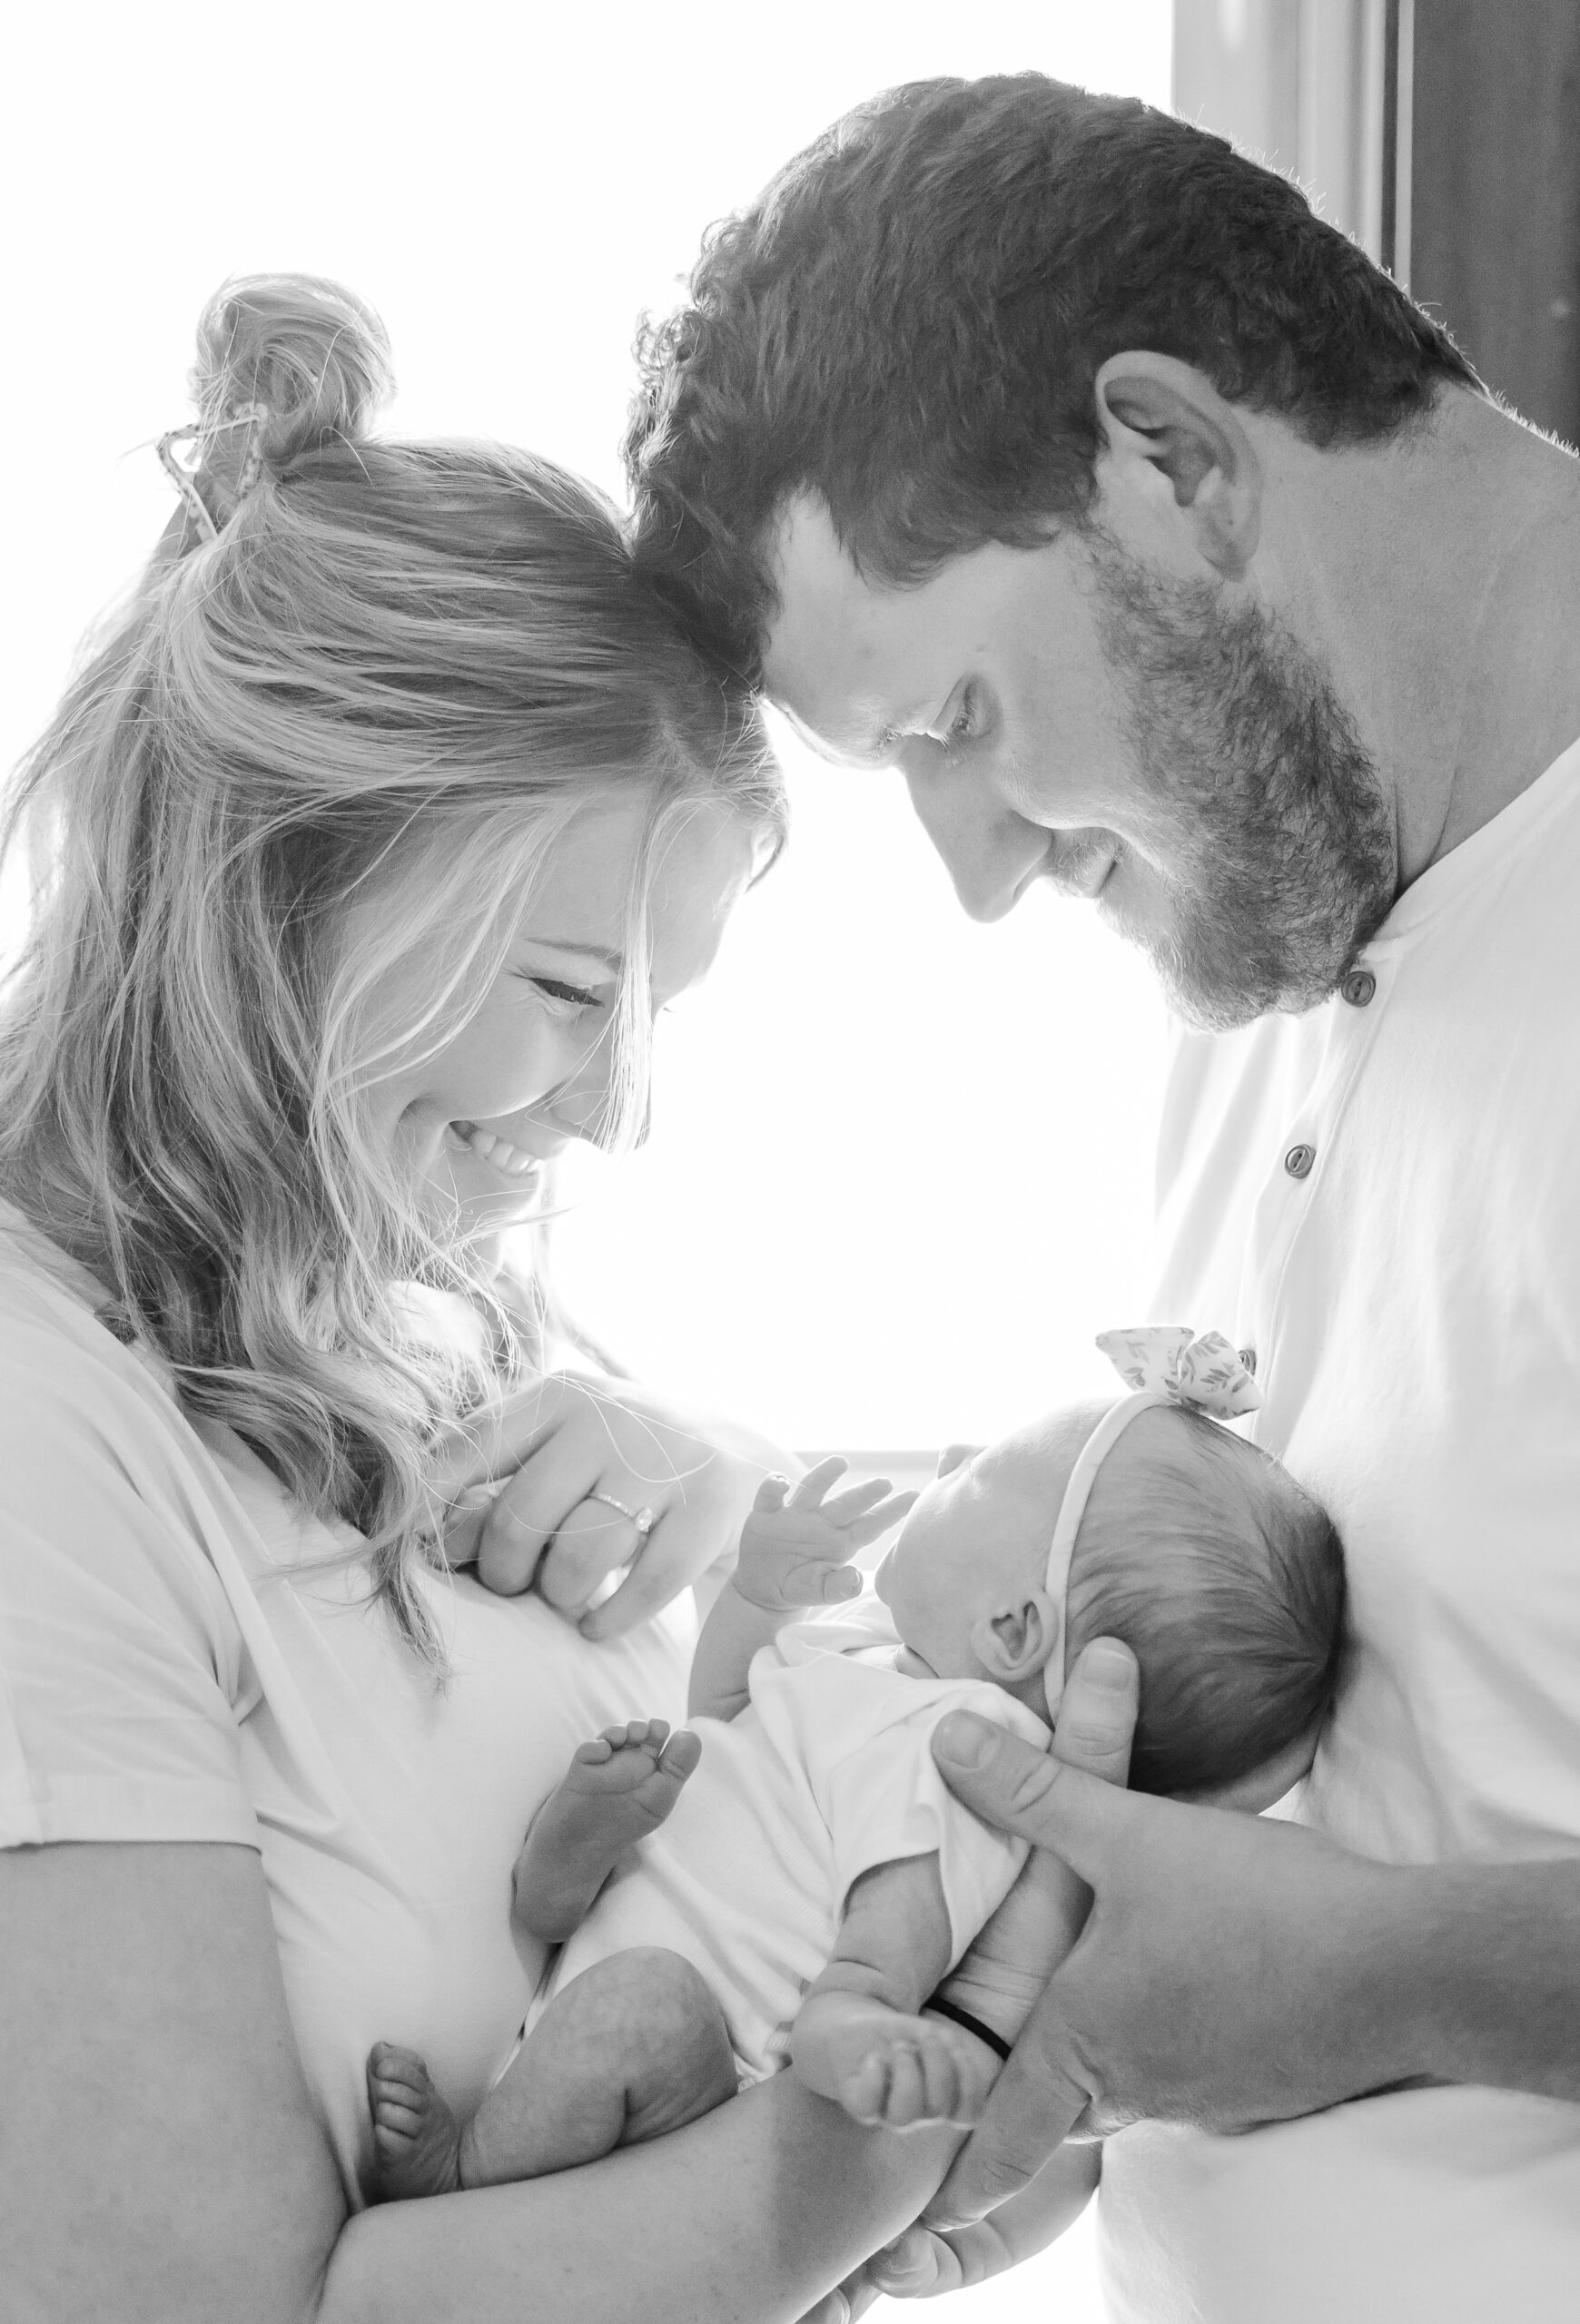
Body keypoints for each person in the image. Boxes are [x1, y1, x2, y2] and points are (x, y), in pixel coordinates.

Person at [0, 269, 1140, 2324]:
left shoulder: (444, 1327)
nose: (618, 1113)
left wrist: (708, 1484)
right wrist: (854, 2168)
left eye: (661, 1011)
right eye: (565, 991)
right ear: (291, 870)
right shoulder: (37, 1428)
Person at [625, 70, 1580, 2322]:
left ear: (1165, 458)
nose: (966, 875)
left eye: (951, 720)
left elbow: (1353, 1943)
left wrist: (1386, 1979)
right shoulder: (1254, 963)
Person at [365, 1328, 1339, 2212]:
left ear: (1013, 1629)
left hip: (702, 2063)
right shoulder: (877, 1662)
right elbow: (734, 1713)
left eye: (977, 1474)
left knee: (639, 2005)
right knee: (626, 1808)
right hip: (610, 1947)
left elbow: (888, 1939)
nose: (950, 1459)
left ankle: (465, 2177)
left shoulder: (961, 1749)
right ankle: (565, 1870)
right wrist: (756, 1595)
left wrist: (859, 2023)